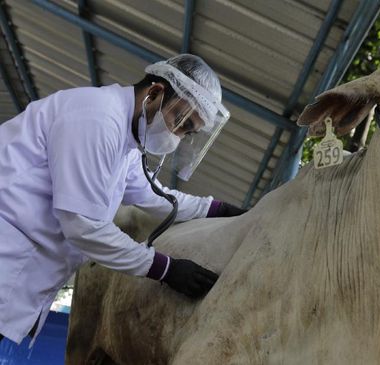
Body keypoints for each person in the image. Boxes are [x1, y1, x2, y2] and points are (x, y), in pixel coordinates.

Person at [0, 54, 246, 345]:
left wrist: (216, 209)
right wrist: (165, 269)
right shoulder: (97, 119)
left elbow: (152, 194)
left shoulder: (126, 141)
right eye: (180, 121)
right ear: (154, 93)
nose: (177, 136)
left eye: (188, 131)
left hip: (19, 271)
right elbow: (82, 225)